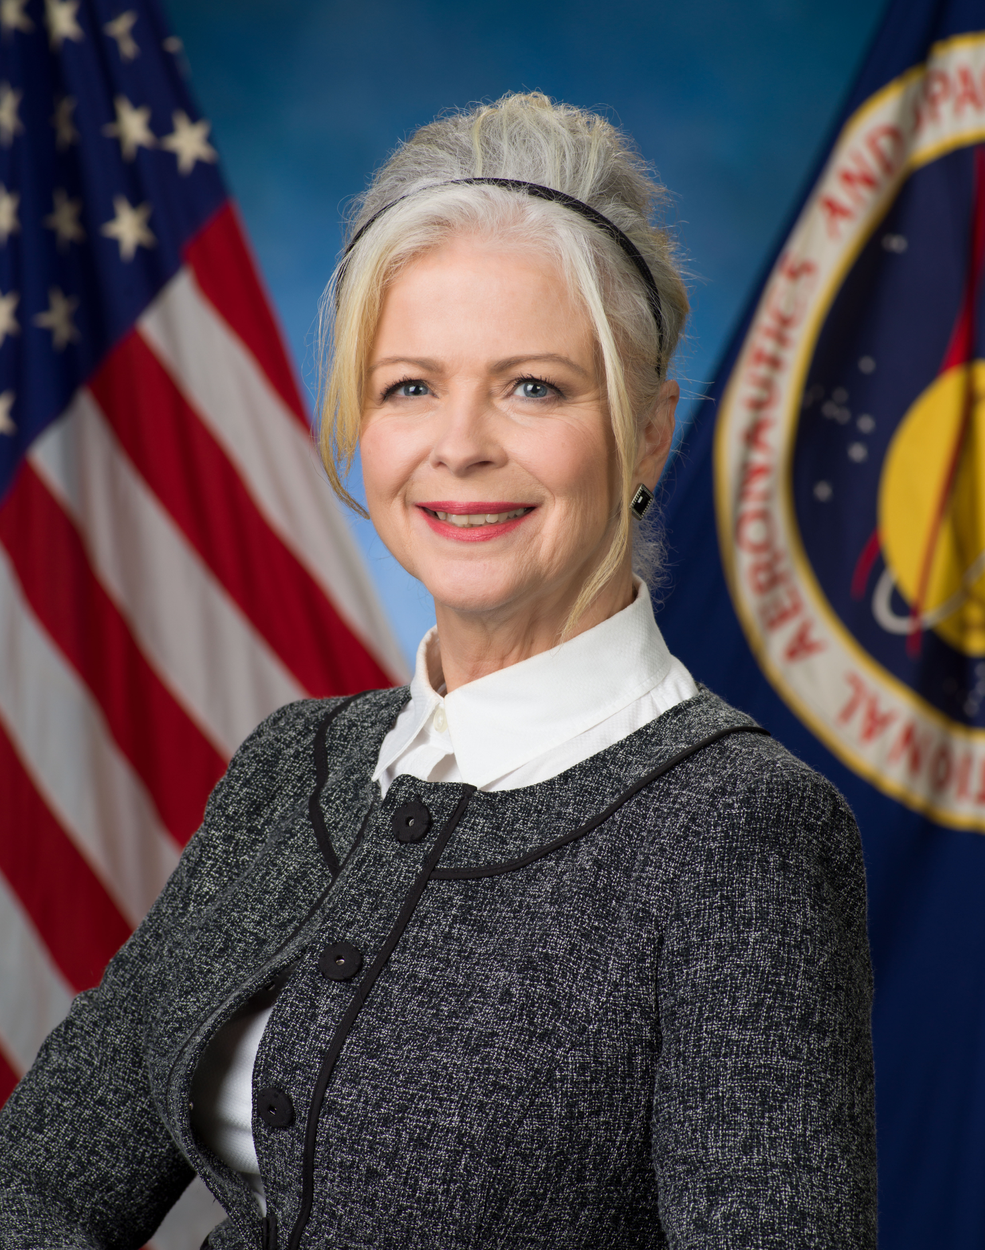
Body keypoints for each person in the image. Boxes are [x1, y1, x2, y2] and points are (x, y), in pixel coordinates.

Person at [0, 92, 876, 1249]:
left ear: (649, 429)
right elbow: (45, 1179)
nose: (458, 445)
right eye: (410, 384)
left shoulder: (741, 831)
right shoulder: (293, 764)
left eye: (533, 386)